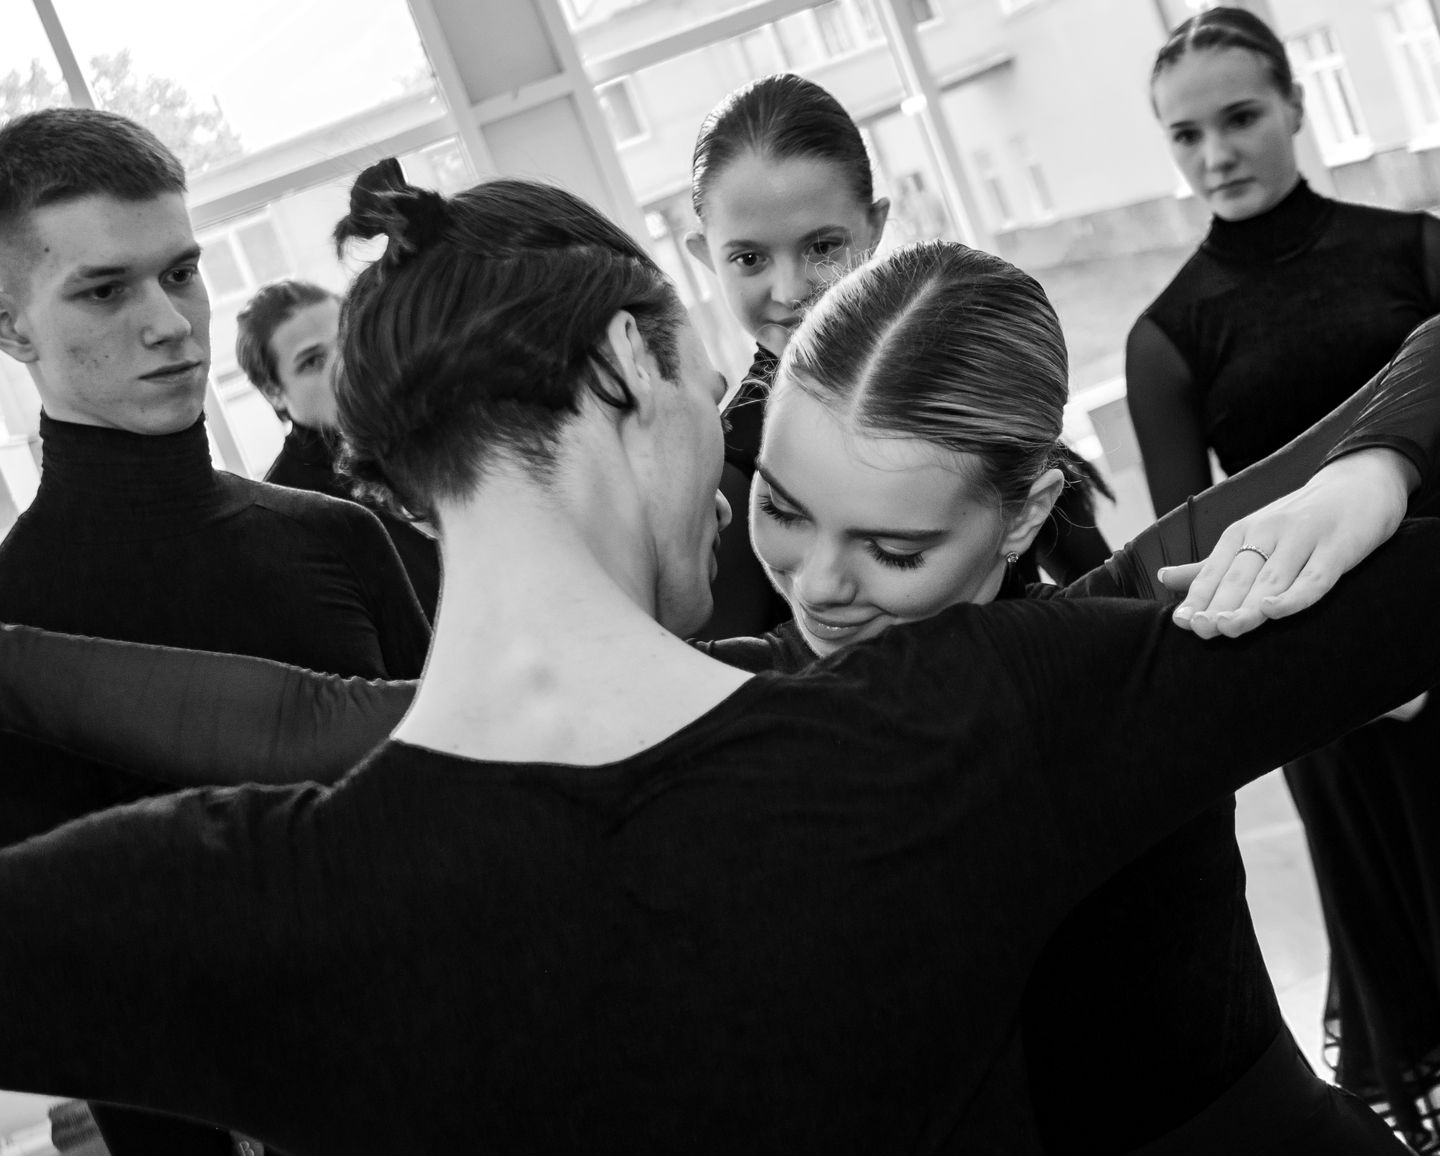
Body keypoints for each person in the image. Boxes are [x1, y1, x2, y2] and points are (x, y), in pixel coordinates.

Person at [0, 167, 1438, 1154]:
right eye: (769, 484)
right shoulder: (966, 717)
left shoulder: (250, 906)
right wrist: (1384, 466)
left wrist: (1369, 462)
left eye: (889, 543)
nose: (817, 577)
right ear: (635, 365)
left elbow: (308, 728)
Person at [0, 108, 430, 1156]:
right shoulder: (15, 623)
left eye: (182, 272)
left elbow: (465, 820)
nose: (171, 323)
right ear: (11, 328)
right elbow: (76, 976)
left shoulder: (340, 537)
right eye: (105, 290)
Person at [1127, 8, 1440, 1143]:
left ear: (1297, 105)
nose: (1216, 154)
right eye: (1186, 134)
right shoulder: (1167, 335)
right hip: (1335, 704)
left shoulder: (1416, 248)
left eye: (1240, 117)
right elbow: (1192, 559)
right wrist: (1354, 680)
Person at [684, 74, 1113, 639]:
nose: (789, 290)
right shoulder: (725, 475)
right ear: (704, 256)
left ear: (876, 225)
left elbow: (1106, 602)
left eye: (822, 246)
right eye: (748, 259)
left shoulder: (975, 375)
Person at [237, 278, 441, 619]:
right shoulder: (284, 516)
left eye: (347, 341)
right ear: (273, 392)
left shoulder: (428, 439)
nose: (344, 366)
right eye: (313, 361)